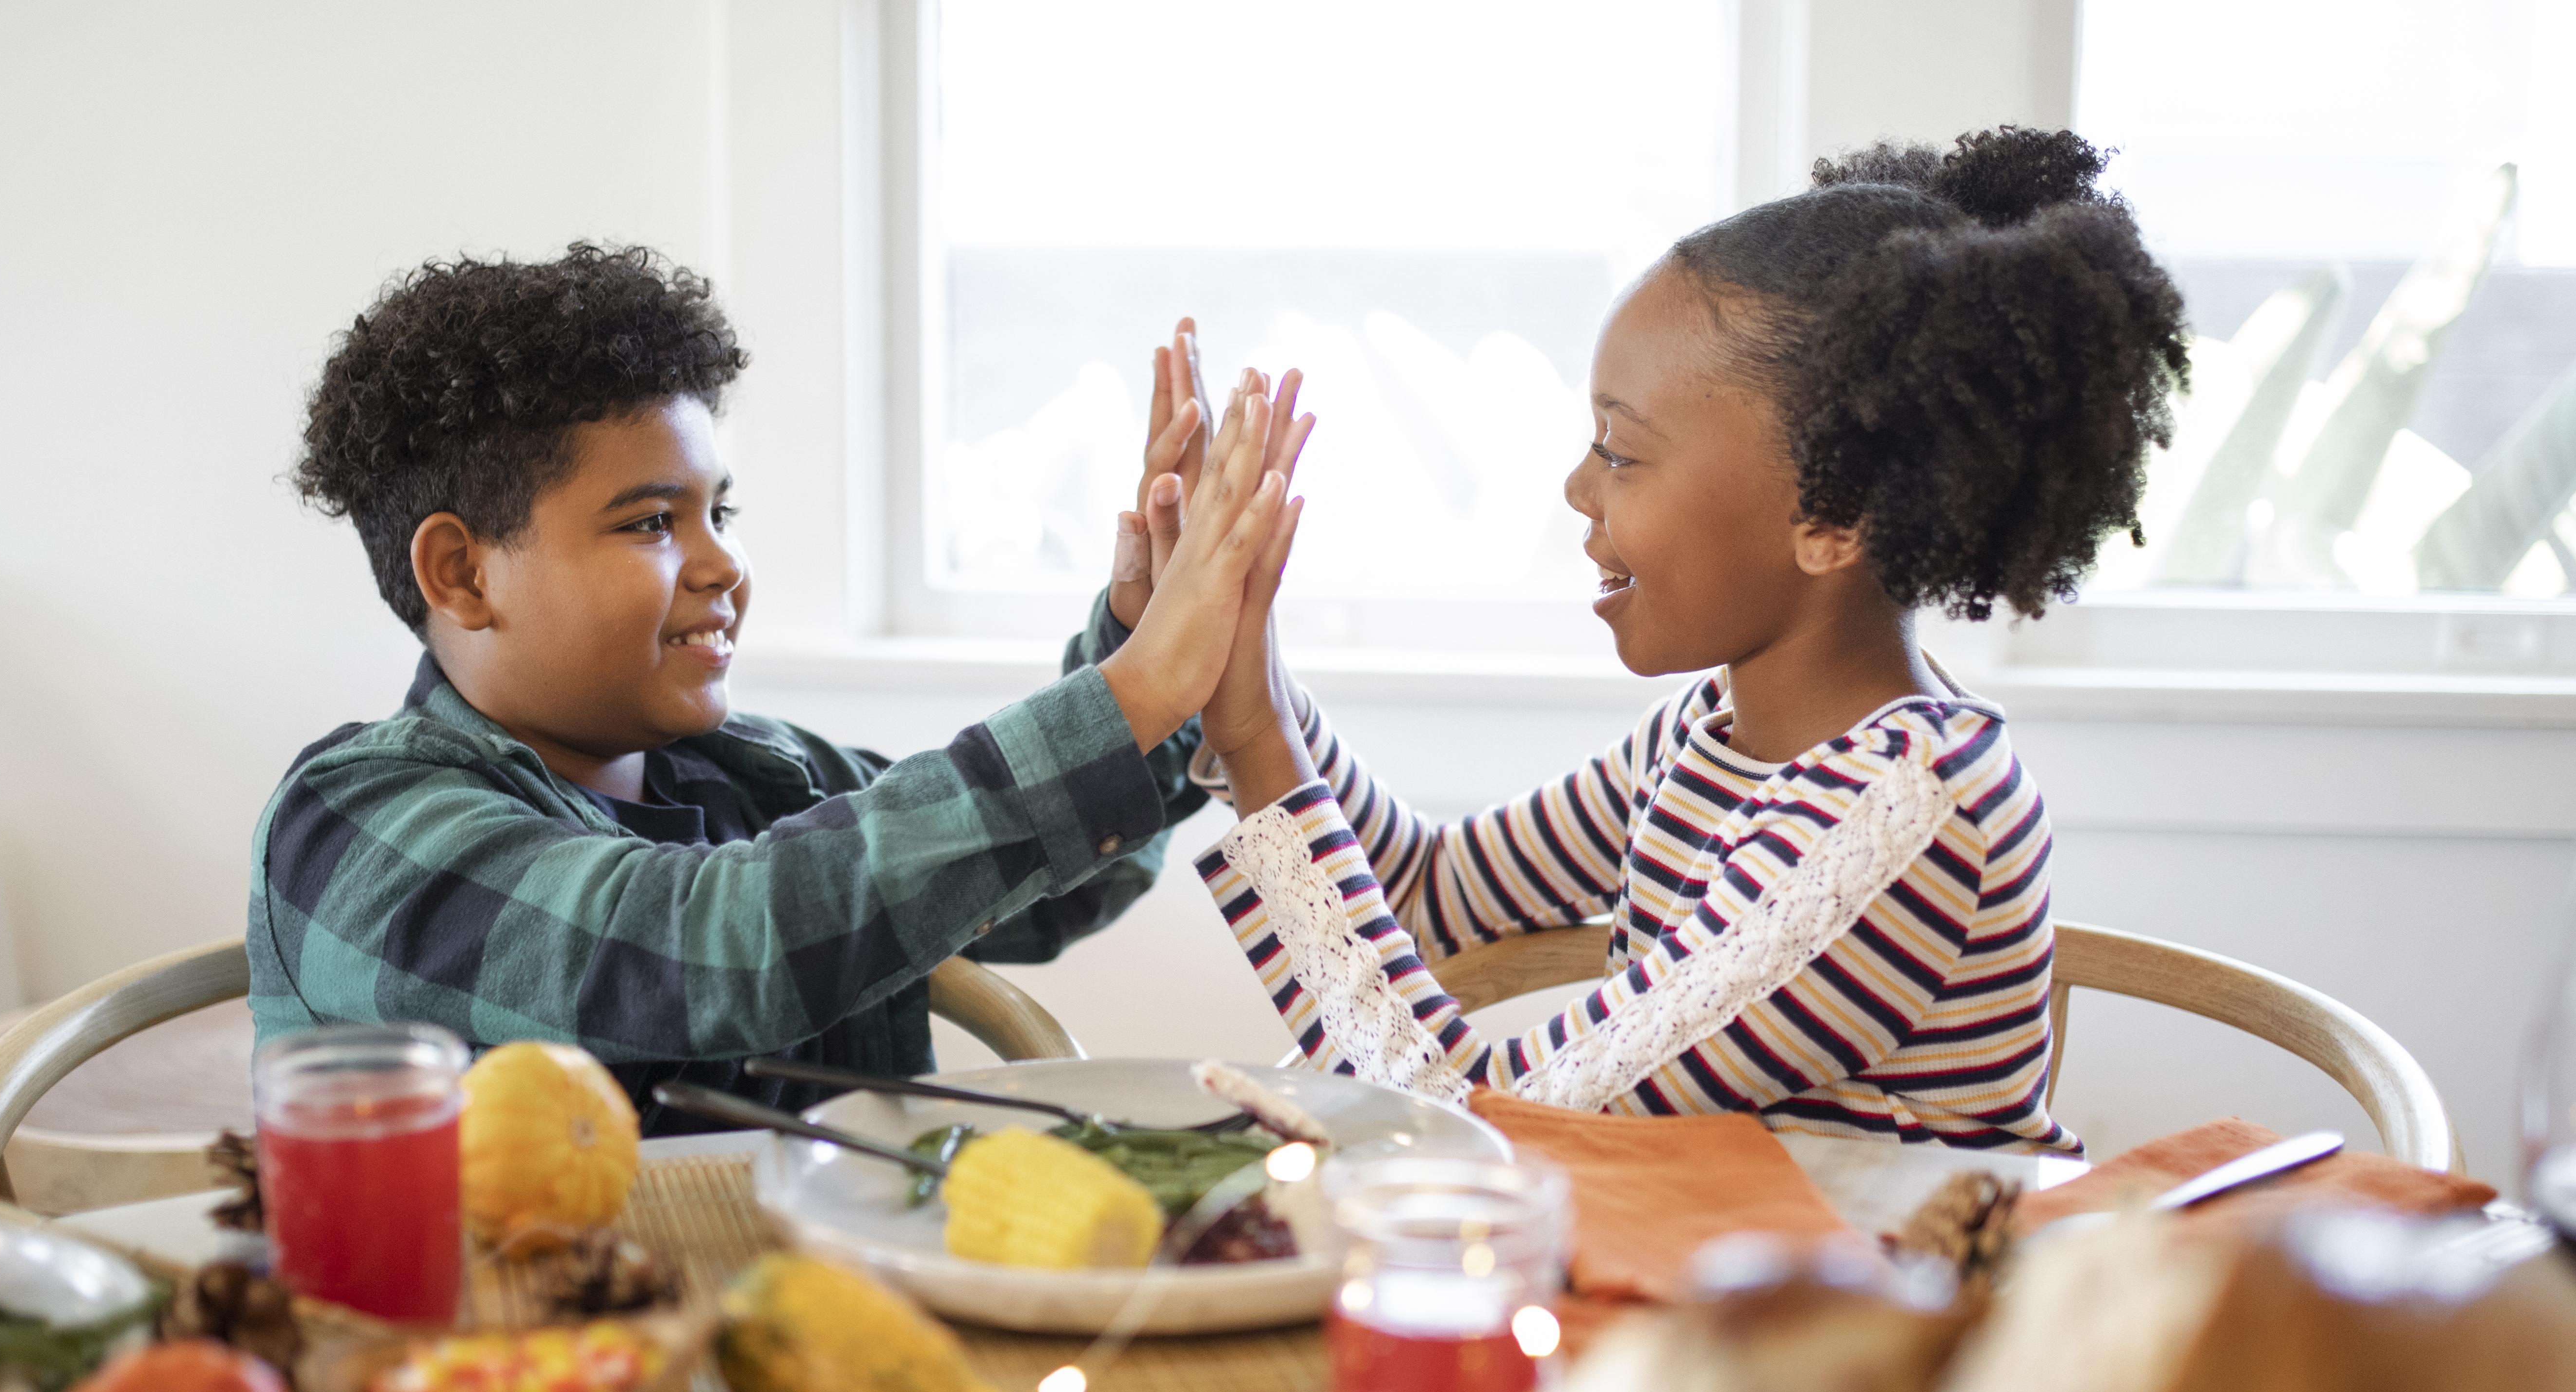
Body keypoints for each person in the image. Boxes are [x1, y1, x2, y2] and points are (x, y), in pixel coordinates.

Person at [1179, 130, 2187, 1144]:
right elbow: (1434, 888)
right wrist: (1238, 666)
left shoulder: (1901, 820)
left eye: (1621, 452)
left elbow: (1473, 1129)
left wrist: (1258, 737)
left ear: (1832, 519)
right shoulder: (1713, 729)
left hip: (1885, 1300)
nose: (1578, 488)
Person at [248, 243, 1300, 1128]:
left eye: (722, 514)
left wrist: (1145, 634)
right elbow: (702, 950)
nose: (722, 565)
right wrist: (1133, 692)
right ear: (462, 573)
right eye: (653, 521)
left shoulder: (755, 775)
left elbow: (1062, 882)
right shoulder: (352, 824)